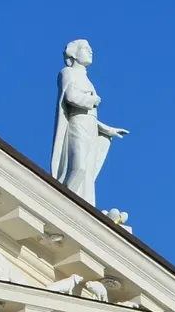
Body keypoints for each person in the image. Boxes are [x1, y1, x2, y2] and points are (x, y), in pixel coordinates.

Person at [48, 39, 129, 206]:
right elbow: (70, 97)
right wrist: (91, 100)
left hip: (89, 126)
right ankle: (63, 202)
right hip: (77, 125)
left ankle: (81, 204)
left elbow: (90, 116)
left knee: (87, 173)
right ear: (73, 54)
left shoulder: (85, 78)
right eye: (85, 48)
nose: (90, 51)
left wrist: (107, 130)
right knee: (79, 167)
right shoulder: (68, 72)